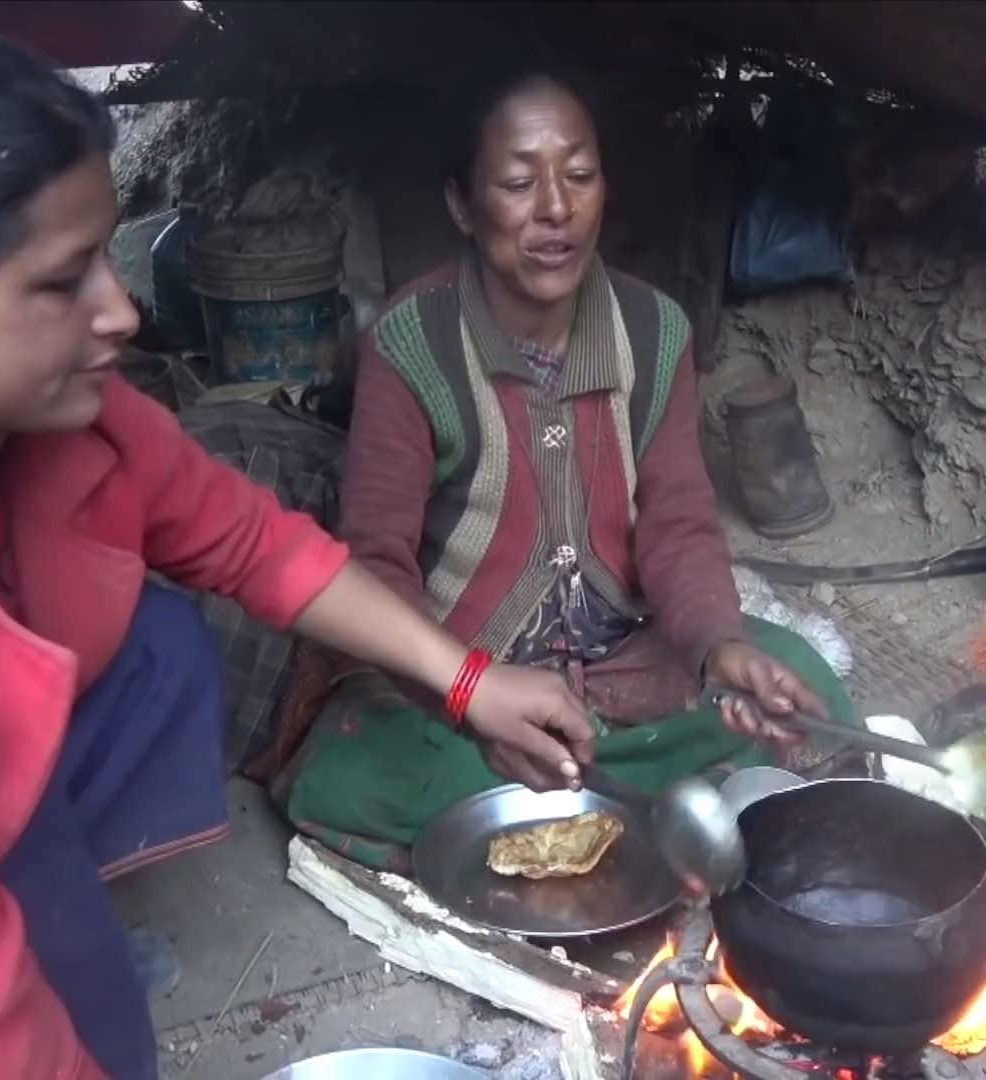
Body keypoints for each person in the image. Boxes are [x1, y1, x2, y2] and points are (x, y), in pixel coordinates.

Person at [0, 13, 596, 1080]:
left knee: (154, 661)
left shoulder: (41, 413)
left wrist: (468, 680)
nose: (121, 312)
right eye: (63, 283)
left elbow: (253, 543)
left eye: (106, 255)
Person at [273, 65, 860, 870]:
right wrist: (466, 693)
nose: (556, 207)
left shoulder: (655, 332)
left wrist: (718, 648)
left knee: (797, 682)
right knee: (355, 768)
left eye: (579, 176)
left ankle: (569, 820)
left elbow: (680, 523)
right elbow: (375, 562)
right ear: (461, 205)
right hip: (462, 682)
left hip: (624, 667)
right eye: (519, 182)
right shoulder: (410, 345)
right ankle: (657, 816)